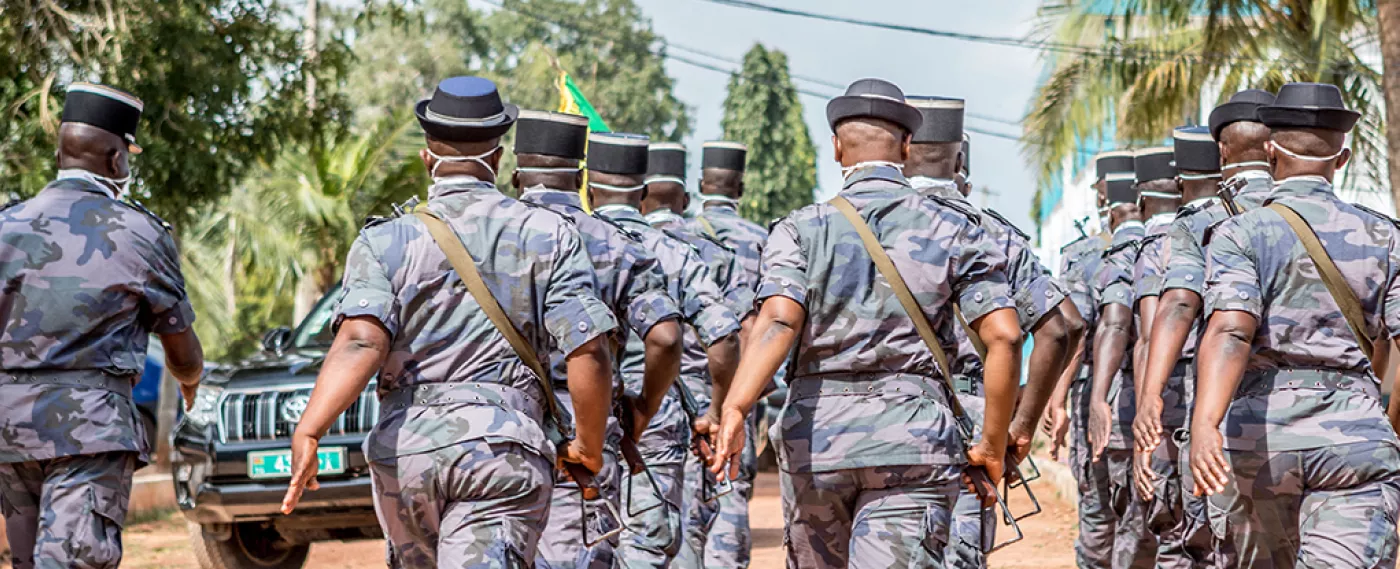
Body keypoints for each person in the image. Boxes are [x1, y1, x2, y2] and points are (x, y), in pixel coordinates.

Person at [280, 77, 620, 568]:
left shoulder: (385, 241)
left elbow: (360, 341)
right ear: (498, 160)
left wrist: (310, 430)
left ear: (427, 158)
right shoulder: (549, 234)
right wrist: (587, 446)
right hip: (501, 449)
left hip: (407, 457)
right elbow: (588, 349)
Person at [708, 78, 1023, 568]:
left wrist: (735, 408)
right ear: (906, 146)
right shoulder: (955, 228)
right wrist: (991, 444)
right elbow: (1004, 335)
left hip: (817, 442)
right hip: (912, 440)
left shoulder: (799, 229)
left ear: (837, 148)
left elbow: (777, 322)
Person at [1192, 82, 1400, 569]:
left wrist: (1205, 423)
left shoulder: (1240, 232)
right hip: (1355, 436)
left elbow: (1231, 331)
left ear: (1270, 149)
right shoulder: (1386, 236)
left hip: (1259, 441)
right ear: (1341, 158)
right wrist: (1383, 427)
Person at [0, 83, 205, 569]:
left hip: (10, 430)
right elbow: (182, 347)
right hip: (89, 429)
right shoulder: (139, 233)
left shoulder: (6, 225)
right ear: (115, 160)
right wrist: (190, 380)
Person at [903, 94, 1084, 568]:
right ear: (959, 159)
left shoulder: (856, 224)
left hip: (871, 429)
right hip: (970, 431)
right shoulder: (991, 233)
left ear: (899, 151)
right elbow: (1064, 326)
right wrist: (1020, 424)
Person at [511, 110, 687, 569]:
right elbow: (666, 338)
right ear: (581, 181)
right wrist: (644, 408)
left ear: (514, 176)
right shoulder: (616, 244)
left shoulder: (486, 239)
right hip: (582, 434)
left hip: (497, 429)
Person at [587, 133, 744, 569]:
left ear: (588, 189)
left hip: (573, 418)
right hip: (655, 417)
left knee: (576, 541)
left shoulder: (562, 240)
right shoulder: (674, 252)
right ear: (640, 196)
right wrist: (715, 410)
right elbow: (725, 337)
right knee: (648, 542)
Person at [1134, 92, 1276, 566]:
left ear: (1223, 153)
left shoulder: (1201, 221)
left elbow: (1176, 304)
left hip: (1224, 423)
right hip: (1329, 420)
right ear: (1275, 145)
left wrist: (1150, 396)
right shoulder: (1326, 217)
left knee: (1221, 549)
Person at [1050, 151, 1130, 569]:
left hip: (1095, 395)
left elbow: (1073, 334)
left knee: (1099, 508)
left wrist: (1057, 401)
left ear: (1102, 195)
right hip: (1171, 398)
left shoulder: (1082, 255)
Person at [1087, 165, 1159, 569]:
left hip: (1130, 405)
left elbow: (1111, 322)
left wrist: (1097, 398)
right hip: (1210, 411)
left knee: (1130, 525)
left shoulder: (1121, 253)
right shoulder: (1213, 232)